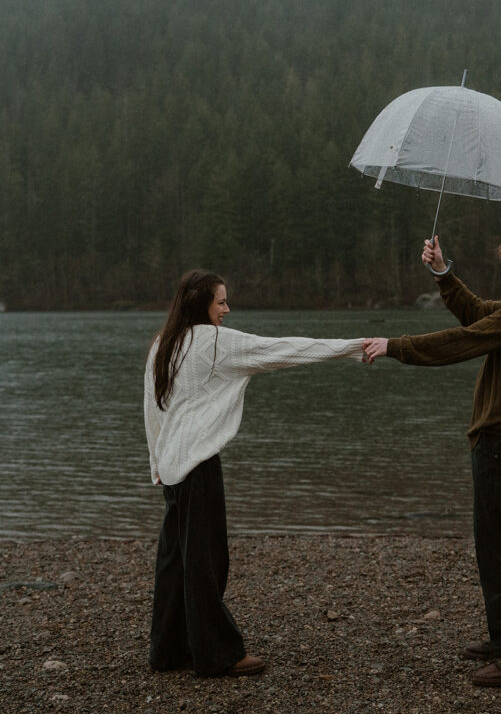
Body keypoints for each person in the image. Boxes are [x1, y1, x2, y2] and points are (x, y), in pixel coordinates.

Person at [363, 227, 501, 687]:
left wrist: (396, 347)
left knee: (499, 548)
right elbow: (475, 315)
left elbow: (466, 340)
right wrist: (442, 271)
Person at [144, 268, 365, 678]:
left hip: (172, 469)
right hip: (198, 466)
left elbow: (153, 408)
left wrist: (157, 464)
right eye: (221, 301)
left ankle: (167, 650)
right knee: (206, 563)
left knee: (174, 562)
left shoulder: (165, 343)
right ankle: (216, 654)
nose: (227, 309)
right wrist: (353, 347)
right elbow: (287, 349)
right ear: (201, 304)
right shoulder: (215, 343)